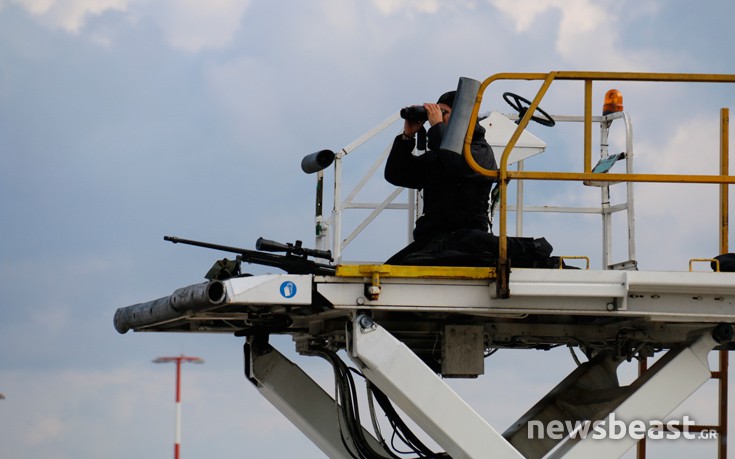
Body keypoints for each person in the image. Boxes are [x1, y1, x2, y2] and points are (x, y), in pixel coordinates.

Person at [384, 90, 498, 265]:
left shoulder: (481, 151)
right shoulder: (438, 155)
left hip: (468, 240)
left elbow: (456, 164)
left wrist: (437, 128)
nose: (437, 117)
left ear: (462, 118)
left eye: (444, 113)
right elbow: (396, 174)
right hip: (433, 239)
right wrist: (407, 136)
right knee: (388, 273)